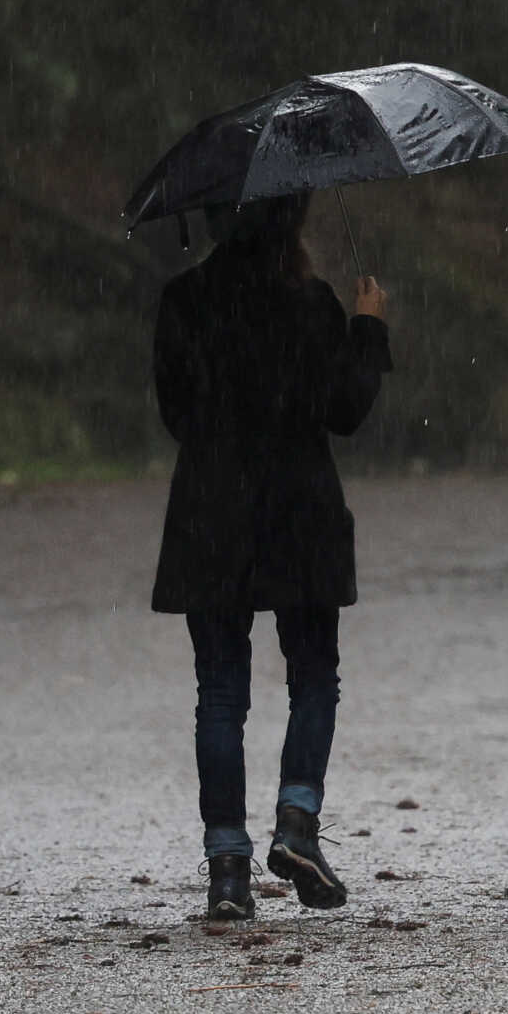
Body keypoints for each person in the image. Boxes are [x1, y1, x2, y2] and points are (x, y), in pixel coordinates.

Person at [151, 192, 391, 921]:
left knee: (221, 692)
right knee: (314, 675)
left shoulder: (184, 300)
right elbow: (345, 409)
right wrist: (369, 328)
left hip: (212, 514)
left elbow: (175, 412)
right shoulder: (310, 302)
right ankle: (296, 824)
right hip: (300, 512)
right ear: (290, 221)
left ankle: (228, 866)